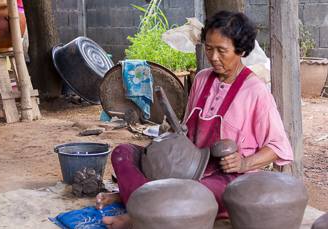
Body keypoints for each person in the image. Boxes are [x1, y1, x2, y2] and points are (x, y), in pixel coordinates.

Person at [96, 11, 294, 229]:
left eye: (222, 50)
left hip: (225, 177)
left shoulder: (255, 91)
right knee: (123, 154)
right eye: (209, 48)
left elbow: (278, 147)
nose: (214, 57)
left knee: (198, 194)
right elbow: (186, 129)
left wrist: (245, 162)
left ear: (241, 50)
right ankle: (141, 202)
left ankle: (138, 213)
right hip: (187, 165)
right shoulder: (201, 79)